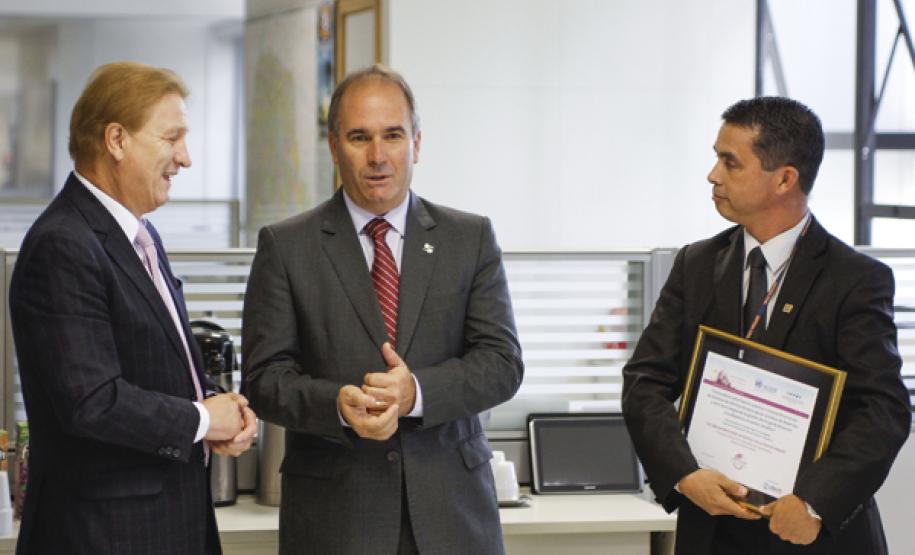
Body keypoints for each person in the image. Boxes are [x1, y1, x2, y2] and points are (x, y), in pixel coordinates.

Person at [242, 64, 523, 554]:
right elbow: (265, 381)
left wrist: (416, 391)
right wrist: (339, 406)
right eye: (358, 137)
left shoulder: (469, 238)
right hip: (336, 522)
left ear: (416, 143)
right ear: (333, 147)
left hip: (451, 519)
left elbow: (501, 364)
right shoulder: (287, 247)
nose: (378, 157)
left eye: (392, 135)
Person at [622, 96, 911, 555]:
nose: (712, 175)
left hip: (810, 533)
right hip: (712, 527)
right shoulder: (696, 264)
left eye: (729, 162)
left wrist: (816, 502)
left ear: (784, 178)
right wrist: (684, 474)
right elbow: (645, 382)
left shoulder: (855, 278)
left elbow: (883, 410)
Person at [9, 61, 256, 555]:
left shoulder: (138, 235)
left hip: (163, 526)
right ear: (117, 140)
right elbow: (92, 402)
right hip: (105, 536)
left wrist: (215, 405)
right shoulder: (64, 244)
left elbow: (150, 365)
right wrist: (203, 420)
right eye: (171, 138)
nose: (184, 158)